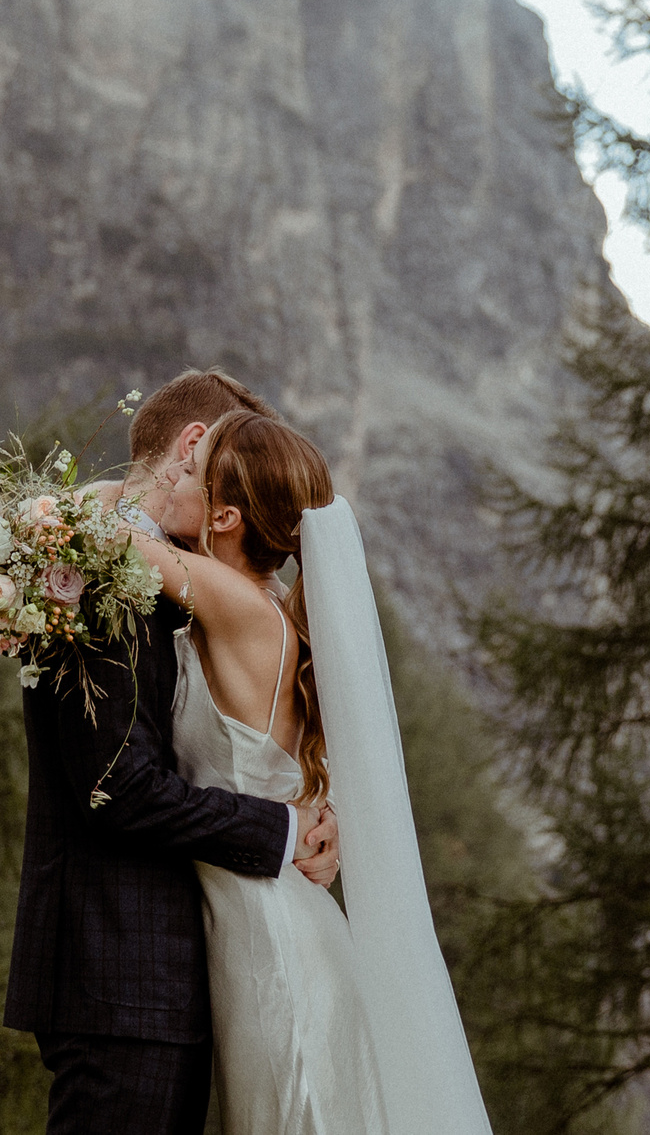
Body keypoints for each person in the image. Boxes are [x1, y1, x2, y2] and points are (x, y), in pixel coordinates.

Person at [132, 409, 498, 1135]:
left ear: (226, 515)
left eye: (191, 467)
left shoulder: (237, 605)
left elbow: (109, 534)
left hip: (273, 952)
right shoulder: (273, 614)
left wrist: (104, 489)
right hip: (278, 927)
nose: (174, 472)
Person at [4, 370, 340, 1135]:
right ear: (192, 446)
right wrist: (292, 827)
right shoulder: (100, 585)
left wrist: (40, 514)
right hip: (122, 973)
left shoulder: (198, 592)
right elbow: (116, 782)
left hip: (188, 966)